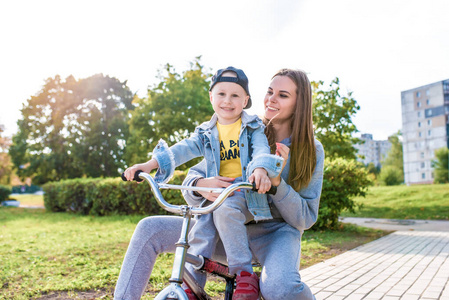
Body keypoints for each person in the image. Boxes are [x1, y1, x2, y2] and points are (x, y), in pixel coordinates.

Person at [115, 68, 324, 300]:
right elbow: (193, 175)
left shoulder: (310, 149)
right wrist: (201, 184)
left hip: (274, 235)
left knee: (280, 289)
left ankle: (251, 278)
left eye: (283, 95)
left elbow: (305, 218)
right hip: (225, 230)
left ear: (300, 103)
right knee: (149, 228)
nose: (271, 99)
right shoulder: (240, 129)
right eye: (269, 91)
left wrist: (276, 183)